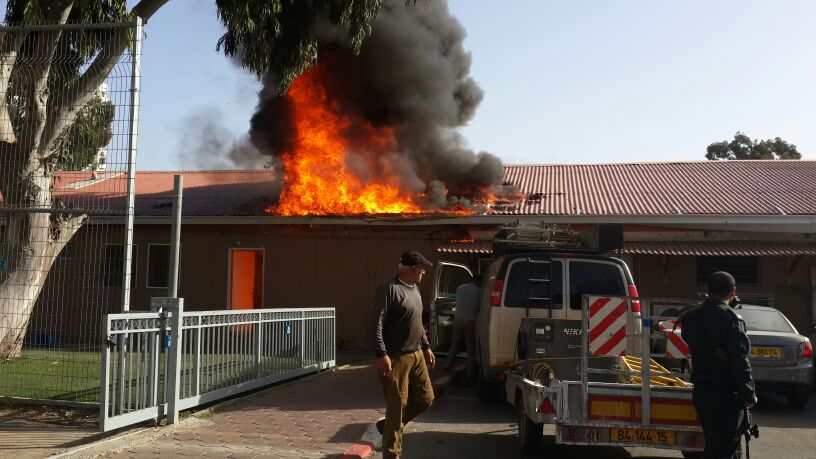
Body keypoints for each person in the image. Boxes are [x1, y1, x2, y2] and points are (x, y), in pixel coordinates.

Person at [680, 271, 757, 459]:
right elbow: (739, 360)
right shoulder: (731, 319)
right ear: (733, 291)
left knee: (713, 446)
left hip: (702, 393)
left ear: (708, 290)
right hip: (727, 396)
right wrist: (749, 394)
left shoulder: (691, 317)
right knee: (727, 450)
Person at [372, 250, 436, 459]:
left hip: (416, 355)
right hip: (396, 358)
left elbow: (417, 322)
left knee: (426, 398)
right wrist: (381, 354)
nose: (424, 272)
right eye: (422, 269)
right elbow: (376, 323)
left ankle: (389, 424)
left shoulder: (415, 289)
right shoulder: (389, 289)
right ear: (412, 269)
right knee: (397, 408)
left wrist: (426, 347)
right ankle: (392, 454)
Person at [445, 274, 482, 377]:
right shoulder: (479, 291)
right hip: (470, 321)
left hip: (458, 319)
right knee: (470, 348)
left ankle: (448, 364)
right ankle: (470, 374)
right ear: (479, 282)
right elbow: (479, 308)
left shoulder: (460, 287)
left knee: (454, 343)